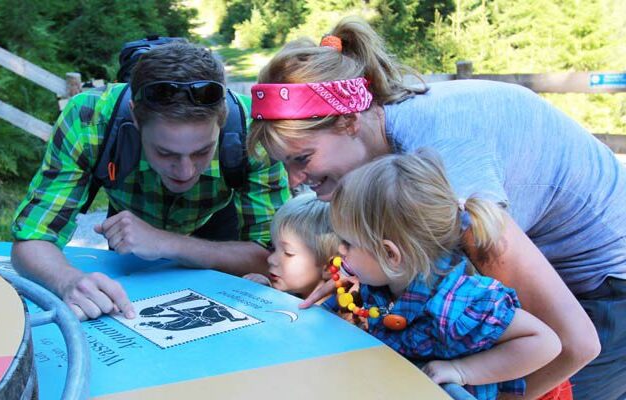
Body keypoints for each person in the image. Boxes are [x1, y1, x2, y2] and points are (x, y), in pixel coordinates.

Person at [247, 16, 624, 399]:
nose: (294, 181)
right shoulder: (388, 162)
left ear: (347, 121)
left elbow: (575, 343)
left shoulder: (448, 171)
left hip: (603, 287)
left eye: (302, 158)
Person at [11, 41, 290, 321]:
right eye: (164, 152)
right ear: (134, 116)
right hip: (130, 230)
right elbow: (32, 238)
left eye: (203, 151)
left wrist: (168, 243)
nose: (184, 171)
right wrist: (68, 281)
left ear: (223, 118)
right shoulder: (88, 120)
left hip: (218, 221)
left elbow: (275, 258)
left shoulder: (254, 130)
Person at [329, 150, 564, 399]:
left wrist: (462, 371)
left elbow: (545, 342)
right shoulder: (385, 282)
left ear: (390, 255)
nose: (340, 250)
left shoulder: (458, 303)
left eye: (348, 242)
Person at [243, 192, 340, 298]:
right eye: (273, 248)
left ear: (329, 268)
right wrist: (267, 291)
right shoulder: (294, 294)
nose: (271, 259)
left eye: (288, 253)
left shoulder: (329, 313)